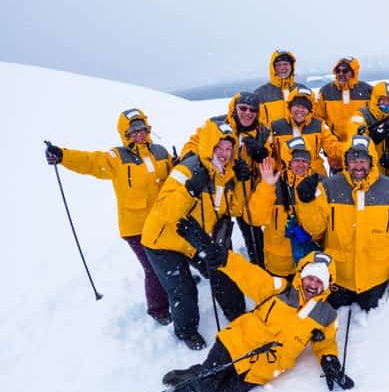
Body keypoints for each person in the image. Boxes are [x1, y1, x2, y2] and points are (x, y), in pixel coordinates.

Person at [115, 250, 352, 392]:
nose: (313, 284)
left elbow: (326, 342)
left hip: (258, 371)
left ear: (327, 285)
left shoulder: (326, 316)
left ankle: (197, 373)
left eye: (319, 280)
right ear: (301, 275)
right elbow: (248, 273)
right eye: (310, 277)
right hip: (234, 346)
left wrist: (329, 361)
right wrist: (224, 258)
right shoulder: (279, 289)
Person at [45, 109, 172, 324]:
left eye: (142, 128)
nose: (139, 133)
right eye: (133, 130)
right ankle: (158, 309)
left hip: (162, 220)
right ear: (125, 133)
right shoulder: (117, 157)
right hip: (136, 227)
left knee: (173, 256)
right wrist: (63, 155)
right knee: (152, 267)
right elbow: (91, 162)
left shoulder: (160, 151)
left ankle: (177, 283)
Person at [141, 118, 246, 349]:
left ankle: (236, 313)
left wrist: (239, 182)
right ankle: (186, 331)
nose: (224, 153)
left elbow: (235, 209)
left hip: (192, 239)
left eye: (229, 148)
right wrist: (190, 189)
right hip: (163, 241)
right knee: (183, 289)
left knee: (221, 270)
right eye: (219, 147)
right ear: (209, 145)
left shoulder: (227, 174)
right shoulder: (187, 169)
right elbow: (165, 211)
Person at [294, 135, 389, 311]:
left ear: (371, 161)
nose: (358, 166)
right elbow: (315, 229)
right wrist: (307, 203)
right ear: (346, 161)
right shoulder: (329, 187)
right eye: (353, 160)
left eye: (363, 161)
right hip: (339, 277)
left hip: (375, 278)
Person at [181, 92, 274, 267]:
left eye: (252, 110)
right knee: (217, 234)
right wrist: (194, 162)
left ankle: (259, 269)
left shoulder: (263, 132)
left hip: (246, 193)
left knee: (253, 234)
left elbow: (271, 162)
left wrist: (262, 155)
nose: (248, 113)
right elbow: (194, 144)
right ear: (234, 108)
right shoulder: (216, 124)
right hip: (219, 191)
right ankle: (220, 271)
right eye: (243, 108)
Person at [247, 139, 322, 278]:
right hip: (278, 264)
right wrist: (266, 186)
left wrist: (311, 235)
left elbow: (323, 226)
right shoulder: (273, 181)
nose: (300, 165)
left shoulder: (318, 184)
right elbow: (255, 218)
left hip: (308, 262)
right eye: (296, 160)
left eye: (304, 161)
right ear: (289, 161)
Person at [270, 85, 342, 177]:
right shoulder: (276, 127)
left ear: (310, 110)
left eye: (304, 107)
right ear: (290, 107)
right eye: (297, 106)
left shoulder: (319, 126)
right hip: (285, 180)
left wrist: (350, 149)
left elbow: (332, 147)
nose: (300, 110)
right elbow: (269, 154)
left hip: (315, 176)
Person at [314, 56, 373, 147]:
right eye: (338, 71)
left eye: (345, 71)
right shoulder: (325, 92)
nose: (341, 73)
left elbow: (375, 115)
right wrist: (328, 138)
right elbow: (318, 117)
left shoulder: (368, 91)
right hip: (335, 145)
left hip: (362, 144)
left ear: (354, 72)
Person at [356, 81, 389, 179]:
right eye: (383, 100)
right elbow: (355, 141)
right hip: (364, 175)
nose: (387, 104)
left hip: (386, 176)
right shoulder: (360, 116)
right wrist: (374, 135)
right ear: (376, 99)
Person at [254, 50, 304, 126]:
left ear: (291, 66)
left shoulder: (302, 90)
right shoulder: (260, 94)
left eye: (285, 64)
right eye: (278, 65)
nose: (282, 67)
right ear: (273, 68)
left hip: (301, 136)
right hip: (272, 137)